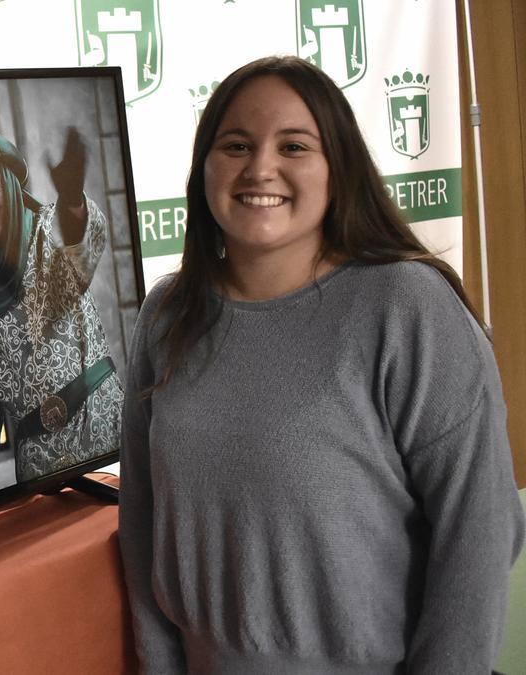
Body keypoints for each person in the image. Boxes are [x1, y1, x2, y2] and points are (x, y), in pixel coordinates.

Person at [119, 55, 525, 673]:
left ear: (339, 168)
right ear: (203, 166)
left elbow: (481, 530)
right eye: (236, 144)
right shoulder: (166, 316)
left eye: (294, 145)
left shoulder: (406, 304)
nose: (260, 167)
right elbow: (142, 519)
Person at [0, 127, 123, 497]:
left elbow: (81, 252)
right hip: (40, 474)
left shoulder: (47, 228)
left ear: (8, 181)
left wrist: (72, 202)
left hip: (106, 438)